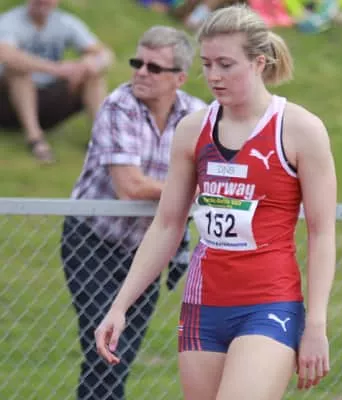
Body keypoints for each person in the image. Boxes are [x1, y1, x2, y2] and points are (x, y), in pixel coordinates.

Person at [95, 5, 337, 400]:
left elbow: (322, 232)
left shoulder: (300, 129)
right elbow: (167, 224)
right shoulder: (193, 129)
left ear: (259, 62)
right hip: (204, 305)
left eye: (226, 64)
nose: (213, 76)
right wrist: (120, 305)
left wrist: (316, 326)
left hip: (268, 304)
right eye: (207, 64)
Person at [60, 26, 206, 400]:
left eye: (153, 67)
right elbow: (131, 187)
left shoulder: (197, 115)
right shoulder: (117, 106)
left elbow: (218, 174)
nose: (141, 72)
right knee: (105, 345)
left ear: (179, 78)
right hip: (92, 240)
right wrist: (189, 189)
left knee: (120, 353)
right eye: (137, 63)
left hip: (147, 249)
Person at [0, 0, 113, 163]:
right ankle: (35, 139)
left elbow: (105, 53)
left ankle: (103, 140)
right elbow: (6, 55)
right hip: (9, 103)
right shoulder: (9, 21)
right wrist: (56, 69)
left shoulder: (66, 22)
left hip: (49, 99)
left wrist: (89, 64)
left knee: (93, 74)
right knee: (18, 70)